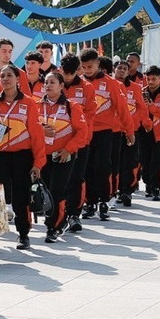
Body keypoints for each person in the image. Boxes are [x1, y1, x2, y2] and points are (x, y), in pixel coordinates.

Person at [0, 64, 45, 250]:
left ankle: (23, 234)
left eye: (9, 75)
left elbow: (36, 134)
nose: (5, 79)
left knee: (21, 196)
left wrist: (38, 162)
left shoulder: (28, 103)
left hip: (22, 156)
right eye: (2, 76)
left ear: (18, 79)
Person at [79, 47, 134, 221]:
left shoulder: (111, 83)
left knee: (103, 166)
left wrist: (129, 130)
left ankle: (104, 200)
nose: (88, 70)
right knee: (87, 168)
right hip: (84, 133)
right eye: (84, 67)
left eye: (90, 66)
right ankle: (90, 202)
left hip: (104, 132)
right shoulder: (78, 83)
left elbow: (122, 108)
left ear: (98, 64)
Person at [39, 71, 88, 242]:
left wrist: (68, 149)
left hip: (63, 156)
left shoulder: (71, 106)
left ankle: (53, 227)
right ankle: (60, 217)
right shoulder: (36, 105)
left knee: (56, 190)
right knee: (44, 192)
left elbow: (82, 132)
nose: (48, 85)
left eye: (52, 82)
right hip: (43, 157)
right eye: (46, 82)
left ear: (61, 86)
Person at [61, 54, 96, 233]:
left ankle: (74, 214)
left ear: (77, 71)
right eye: (63, 73)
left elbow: (90, 113)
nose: (66, 77)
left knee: (76, 177)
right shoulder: (54, 85)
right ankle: (59, 214)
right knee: (59, 179)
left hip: (81, 139)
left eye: (70, 74)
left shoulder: (87, 88)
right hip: (58, 141)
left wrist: (73, 120)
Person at [115, 59, 149, 206]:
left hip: (131, 130)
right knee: (114, 163)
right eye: (119, 68)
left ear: (129, 72)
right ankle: (113, 191)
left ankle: (126, 191)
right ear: (114, 69)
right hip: (113, 131)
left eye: (125, 69)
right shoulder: (110, 85)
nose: (122, 70)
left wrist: (146, 123)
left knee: (129, 162)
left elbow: (141, 107)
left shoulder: (135, 88)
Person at [142, 66, 160, 200]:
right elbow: (139, 112)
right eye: (148, 79)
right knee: (145, 160)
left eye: (154, 79)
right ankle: (148, 184)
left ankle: (156, 188)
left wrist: (151, 106)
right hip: (144, 132)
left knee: (157, 162)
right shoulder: (141, 93)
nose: (151, 82)